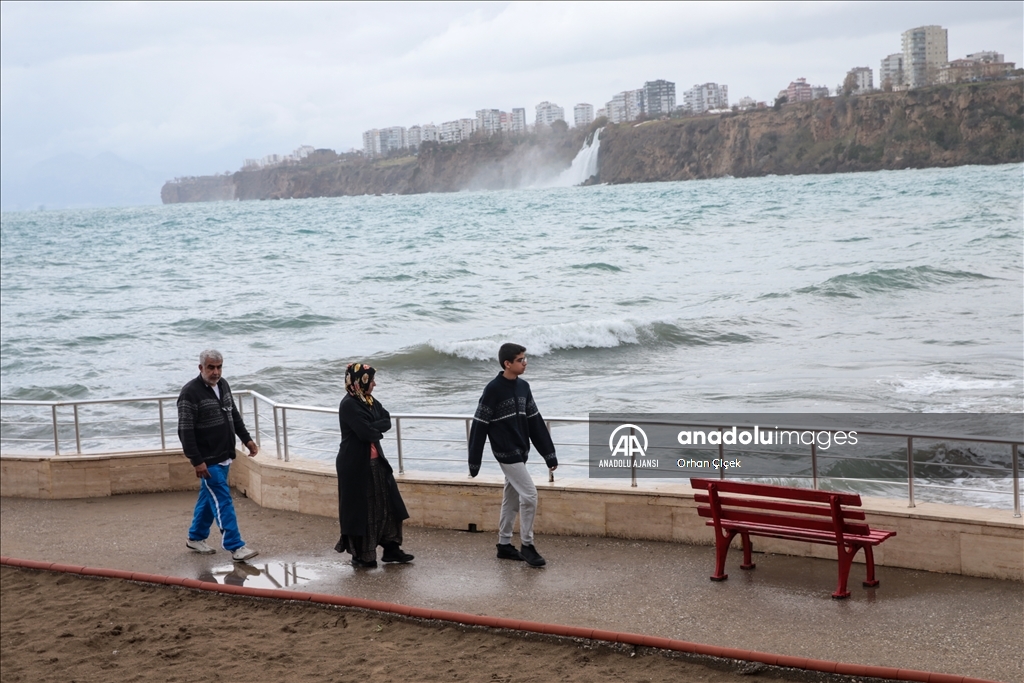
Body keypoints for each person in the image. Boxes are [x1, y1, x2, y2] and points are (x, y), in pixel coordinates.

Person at [468, 343, 557, 567]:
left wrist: (549, 454)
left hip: (521, 450)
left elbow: (535, 422)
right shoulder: (493, 389)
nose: (525, 363)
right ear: (507, 364)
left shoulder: (523, 387)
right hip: (505, 451)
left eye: (525, 359)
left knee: (512, 498)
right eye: (520, 360)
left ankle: (504, 544)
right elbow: (479, 425)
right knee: (530, 495)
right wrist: (474, 461)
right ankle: (527, 545)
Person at [177, 349, 259, 561]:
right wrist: (197, 461)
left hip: (225, 455)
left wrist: (246, 439)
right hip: (208, 460)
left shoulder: (223, 385)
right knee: (223, 501)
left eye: (219, 367)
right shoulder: (190, 393)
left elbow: (233, 414)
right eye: (211, 367)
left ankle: (195, 538)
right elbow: (185, 431)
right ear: (201, 368)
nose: (216, 372)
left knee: (207, 498)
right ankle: (235, 546)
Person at [335, 363, 413, 568]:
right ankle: (362, 555)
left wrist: (373, 425)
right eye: (371, 380)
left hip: (376, 462)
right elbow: (366, 433)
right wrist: (373, 427)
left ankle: (391, 548)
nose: (375, 384)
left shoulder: (368, 401)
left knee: (388, 505)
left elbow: (386, 420)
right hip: (355, 466)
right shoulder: (349, 404)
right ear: (361, 381)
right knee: (364, 511)